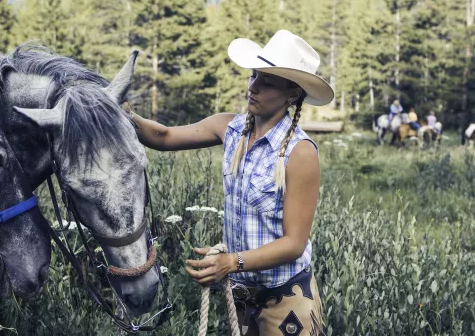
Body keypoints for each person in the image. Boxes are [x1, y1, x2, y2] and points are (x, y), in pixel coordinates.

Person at [129, 30, 332, 335]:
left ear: (293, 94)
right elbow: (164, 136)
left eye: (267, 82)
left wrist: (231, 262)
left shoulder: (299, 153)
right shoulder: (230, 129)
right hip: (242, 300)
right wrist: (123, 112)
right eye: (253, 76)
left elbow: (294, 244)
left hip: (287, 302)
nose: (253, 87)